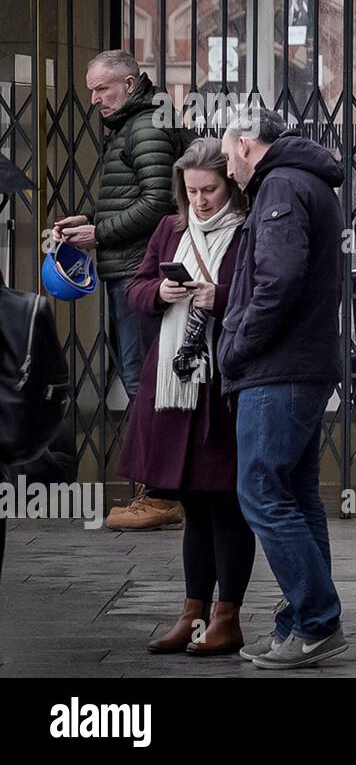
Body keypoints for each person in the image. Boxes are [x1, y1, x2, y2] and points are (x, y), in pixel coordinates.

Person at [217, 108, 348, 670]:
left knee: (261, 492)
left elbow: (279, 278)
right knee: (295, 495)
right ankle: (301, 622)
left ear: (246, 145)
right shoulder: (305, 180)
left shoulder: (281, 185)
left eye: (226, 156)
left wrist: (239, 344)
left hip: (280, 368)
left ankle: (316, 619)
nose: (226, 169)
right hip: (304, 364)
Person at [116, 138, 252, 655]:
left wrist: (221, 298)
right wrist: (160, 293)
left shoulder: (249, 230)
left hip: (222, 383)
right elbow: (137, 287)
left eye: (210, 189)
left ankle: (227, 616)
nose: (200, 200)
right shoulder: (170, 228)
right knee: (193, 504)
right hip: (173, 384)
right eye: (191, 190)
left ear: (230, 186)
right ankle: (192, 614)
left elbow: (261, 293)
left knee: (227, 503)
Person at [53, 49, 188, 531]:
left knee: (143, 382)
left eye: (102, 89)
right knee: (142, 379)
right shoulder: (132, 126)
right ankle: (156, 493)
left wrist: (100, 234)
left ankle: (158, 496)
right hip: (128, 268)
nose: (93, 99)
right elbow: (134, 195)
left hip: (136, 271)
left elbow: (160, 202)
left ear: (129, 85)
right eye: (90, 89)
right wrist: (88, 220)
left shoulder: (147, 125)